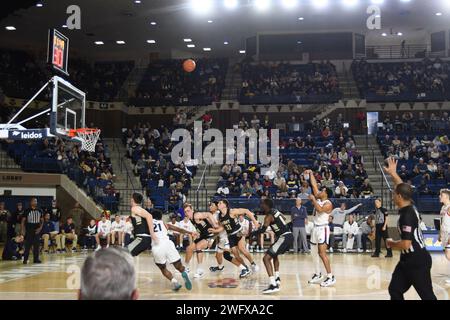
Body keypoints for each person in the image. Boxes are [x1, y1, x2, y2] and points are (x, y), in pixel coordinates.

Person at [383, 157, 437, 300]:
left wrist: (391, 243)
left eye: (395, 194)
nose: (393, 196)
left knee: (427, 296)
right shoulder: (409, 205)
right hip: (407, 259)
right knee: (394, 289)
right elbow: (401, 186)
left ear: (399, 197)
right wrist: (393, 174)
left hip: (417, 260)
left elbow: (406, 244)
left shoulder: (407, 215)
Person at [209, 200, 260, 278]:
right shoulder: (220, 216)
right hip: (230, 236)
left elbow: (246, 211)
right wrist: (215, 231)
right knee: (236, 255)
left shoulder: (232, 212)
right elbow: (222, 227)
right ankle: (245, 268)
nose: (218, 204)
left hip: (239, 232)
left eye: (220, 203)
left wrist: (255, 221)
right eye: (218, 203)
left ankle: (253, 264)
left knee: (242, 249)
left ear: (225, 205)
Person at [304, 169, 336, 287]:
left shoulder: (328, 204)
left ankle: (330, 276)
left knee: (322, 253)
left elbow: (320, 210)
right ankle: (317, 274)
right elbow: (313, 185)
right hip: (315, 228)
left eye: (322, 190)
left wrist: (313, 199)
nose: (320, 191)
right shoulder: (319, 198)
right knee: (313, 253)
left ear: (326, 193)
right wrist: (311, 173)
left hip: (323, 229)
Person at [149, 209, 193, 291]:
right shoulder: (164, 224)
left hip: (157, 247)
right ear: (161, 217)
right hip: (168, 245)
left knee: (163, 268)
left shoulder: (149, 224)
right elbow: (179, 229)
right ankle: (183, 273)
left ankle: (174, 281)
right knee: (178, 266)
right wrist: (190, 232)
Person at [256, 199, 293, 294]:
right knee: (274, 254)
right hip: (287, 236)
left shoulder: (268, 216)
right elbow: (283, 219)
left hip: (284, 237)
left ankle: (273, 285)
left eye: (262, 204)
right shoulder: (276, 211)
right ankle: (277, 277)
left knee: (266, 259)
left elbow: (263, 230)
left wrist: (251, 233)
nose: (261, 205)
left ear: (266, 205)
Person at [183, 203, 219, 278]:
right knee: (189, 249)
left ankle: (200, 270)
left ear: (192, 210)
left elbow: (209, 214)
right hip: (203, 235)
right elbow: (201, 226)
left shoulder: (196, 215)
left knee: (198, 246)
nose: (187, 213)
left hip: (209, 235)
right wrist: (197, 233)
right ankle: (186, 268)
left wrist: (214, 224)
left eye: (188, 211)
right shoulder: (190, 218)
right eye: (185, 211)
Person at [208, 201, 231, 273]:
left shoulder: (218, 215)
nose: (210, 206)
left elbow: (220, 228)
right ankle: (220, 267)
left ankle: (243, 267)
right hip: (221, 237)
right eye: (210, 205)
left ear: (216, 207)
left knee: (227, 256)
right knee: (218, 255)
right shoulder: (213, 215)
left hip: (226, 237)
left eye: (212, 205)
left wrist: (212, 240)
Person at [21, 198, 44, 264]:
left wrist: (40, 228)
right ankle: (25, 259)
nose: (35, 202)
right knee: (27, 245)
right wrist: (23, 230)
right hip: (29, 229)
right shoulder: (27, 210)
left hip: (37, 229)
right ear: (31, 202)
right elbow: (23, 221)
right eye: (33, 201)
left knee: (36, 245)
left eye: (36, 201)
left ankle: (36, 259)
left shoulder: (40, 210)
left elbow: (42, 220)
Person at [438, 189, 450, 285]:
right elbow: (443, 222)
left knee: (448, 255)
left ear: (446, 197)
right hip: (445, 234)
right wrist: (440, 234)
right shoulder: (443, 208)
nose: (439, 197)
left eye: (441, 195)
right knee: (448, 255)